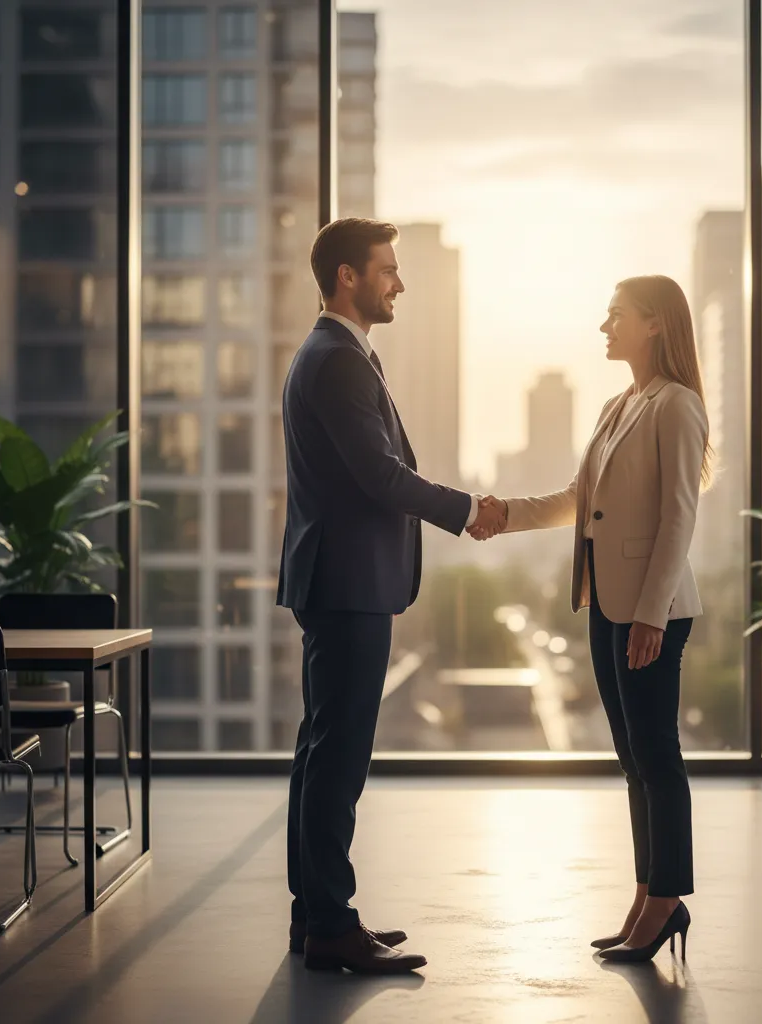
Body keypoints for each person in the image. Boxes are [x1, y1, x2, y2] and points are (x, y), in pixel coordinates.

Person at [277, 217, 504, 975]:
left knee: (322, 751)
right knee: (338, 758)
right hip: (347, 584)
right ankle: (331, 924)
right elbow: (381, 476)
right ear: (347, 276)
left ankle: (315, 916)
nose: (399, 282)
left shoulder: (334, 354)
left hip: (339, 579)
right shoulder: (338, 360)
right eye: (387, 269)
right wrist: (467, 510)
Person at [470, 275, 710, 963]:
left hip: (649, 609)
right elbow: (581, 498)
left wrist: (652, 614)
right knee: (634, 760)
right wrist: (505, 514)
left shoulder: (677, 404)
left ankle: (666, 901)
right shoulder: (618, 405)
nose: (605, 327)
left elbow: (678, 517)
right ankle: (648, 895)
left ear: (655, 324)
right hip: (606, 602)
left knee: (657, 756)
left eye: (616, 315)